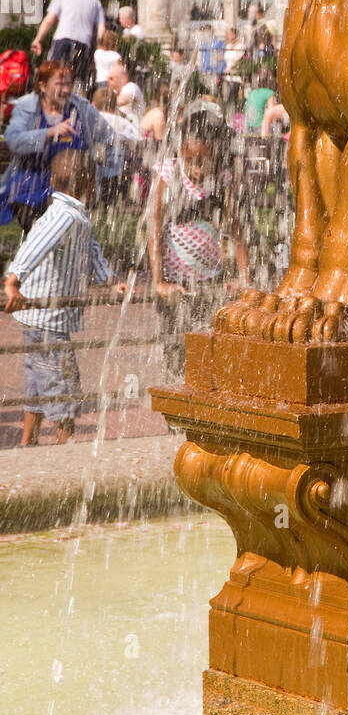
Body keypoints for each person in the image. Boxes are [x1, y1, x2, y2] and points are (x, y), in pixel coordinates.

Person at [3, 148, 125, 446]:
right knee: (63, 385)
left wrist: (110, 282)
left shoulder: (73, 216)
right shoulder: (66, 216)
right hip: (49, 319)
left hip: (39, 317)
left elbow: (91, 251)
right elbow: (37, 245)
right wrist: (13, 280)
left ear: (54, 181)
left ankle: (27, 441)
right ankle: (65, 452)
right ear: (91, 185)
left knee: (37, 377)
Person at [147, 106, 250, 375]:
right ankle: (176, 412)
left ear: (216, 155)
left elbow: (237, 231)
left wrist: (243, 277)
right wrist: (159, 282)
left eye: (203, 162)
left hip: (211, 281)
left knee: (211, 351)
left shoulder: (222, 180)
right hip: (175, 284)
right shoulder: (168, 174)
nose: (195, 169)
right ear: (180, 149)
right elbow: (154, 225)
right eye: (189, 160)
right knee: (177, 353)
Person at [0, 60, 122, 230]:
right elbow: (14, 141)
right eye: (59, 84)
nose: (66, 90)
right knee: (45, 225)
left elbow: (110, 138)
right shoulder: (27, 107)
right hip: (31, 186)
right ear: (42, 86)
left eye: (68, 84)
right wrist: (49, 133)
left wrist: (104, 173)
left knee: (65, 221)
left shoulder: (81, 107)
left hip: (70, 188)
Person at [30, 0, 106, 86]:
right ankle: (77, 99)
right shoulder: (96, 2)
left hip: (62, 38)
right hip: (84, 43)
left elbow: (49, 20)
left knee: (55, 74)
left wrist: (38, 39)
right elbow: (101, 30)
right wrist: (100, 48)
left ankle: (53, 98)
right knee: (79, 79)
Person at [107, 59, 145, 130]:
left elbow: (121, 101)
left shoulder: (131, 86)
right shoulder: (116, 92)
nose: (108, 81)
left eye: (111, 78)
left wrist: (102, 100)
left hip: (135, 130)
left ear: (122, 78)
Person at [243, 68, 275, 132]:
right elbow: (272, 112)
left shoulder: (252, 93)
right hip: (260, 128)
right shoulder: (269, 93)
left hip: (248, 127)